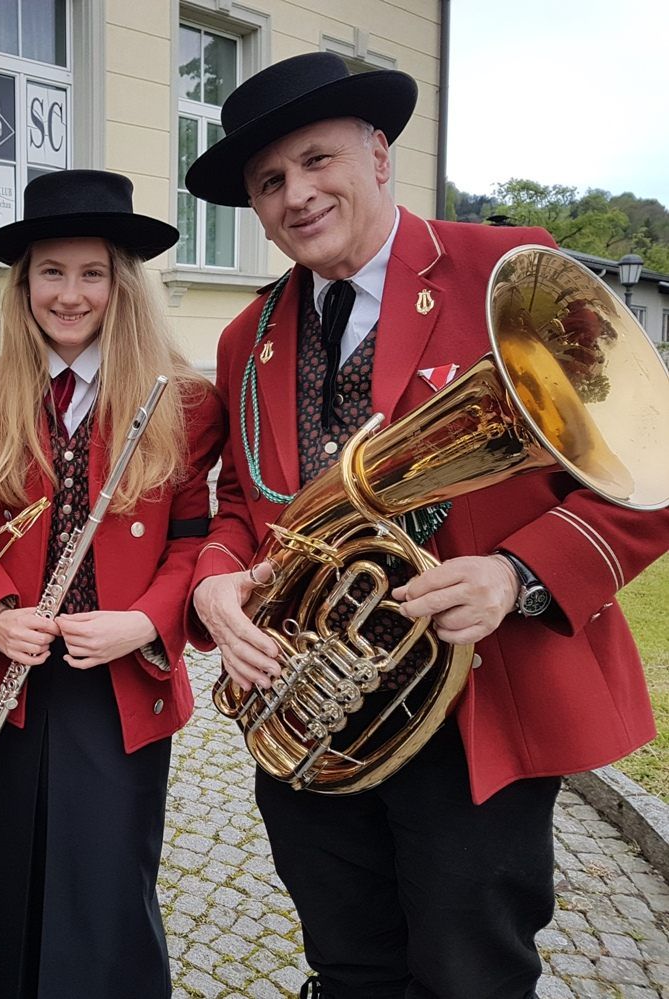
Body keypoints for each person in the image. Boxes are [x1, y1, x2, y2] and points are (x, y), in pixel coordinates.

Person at [184, 52, 669, 999]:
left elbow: (646, 465)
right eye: (269, 182)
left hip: (474, 708)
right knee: (347, 963)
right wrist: (213, 577)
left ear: (377, 155)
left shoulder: (506, 271)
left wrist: (516, 575)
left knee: (469, 973)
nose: (296, 194)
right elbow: (244, 500)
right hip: (314, 706)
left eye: (316, 160)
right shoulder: (248, 336)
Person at [0, 169, 225, 999]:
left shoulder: (182, 400)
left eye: (91, 273)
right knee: (3, 880)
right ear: (23, 283)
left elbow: (194, 541)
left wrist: (145, 621)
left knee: (105, 891)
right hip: (15, 679)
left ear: (120, 283)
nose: (69, 294)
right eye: (51, 272)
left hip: (121, 681)